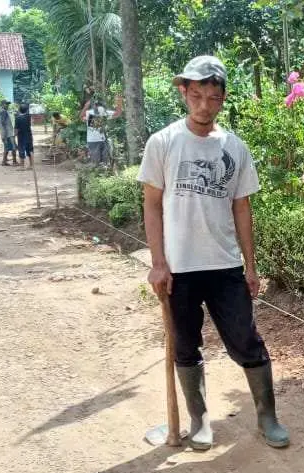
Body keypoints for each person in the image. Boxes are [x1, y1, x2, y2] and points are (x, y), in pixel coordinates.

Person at [137, 55, 289, 450]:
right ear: (184, 92)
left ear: (223, 99)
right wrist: (158, 263)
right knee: (186, 345)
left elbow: (242, 208)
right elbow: (151, 204)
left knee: (246, 340)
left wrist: (251, 267)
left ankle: (267, 416)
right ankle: (199, 418)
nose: (205, 104)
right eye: (197, 94)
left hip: (224, 266)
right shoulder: (163, 142)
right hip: (179, 268)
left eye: (214, 97)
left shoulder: (234, 148)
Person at [81, 95, 122, 168]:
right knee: (95, 162)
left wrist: (119, 102)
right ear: (94, 107)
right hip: (93, 141)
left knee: (105, 162)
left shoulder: (105, 112)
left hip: (104, 140)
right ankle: (96, 176)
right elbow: (81, 117)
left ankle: (103, 176)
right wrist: (86, 106)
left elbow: (117, 114)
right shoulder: (89, 113)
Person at [15, 103, 34, 169]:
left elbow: (16, 129)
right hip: (29, 136)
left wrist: (14, 135)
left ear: (19, 110)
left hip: (21, 137)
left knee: (21, 150)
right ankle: (31, 165)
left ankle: (22, 166)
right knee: (30, 150)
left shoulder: (17, 118)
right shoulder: (28, 116)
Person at [0, 101, 18, 166]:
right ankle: (14, 161)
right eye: (6, 104)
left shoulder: (2, 111)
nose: (7, 105)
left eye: (8, 104)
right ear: (2, 105)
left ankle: (4, 161)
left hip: (6, 133)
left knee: (6, 147)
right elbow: (3, 123)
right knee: (13, 147)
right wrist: (5, 135)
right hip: (8, 134)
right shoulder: (3, 112)